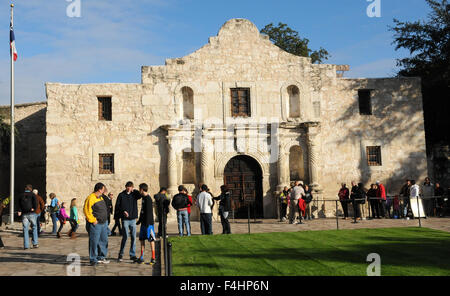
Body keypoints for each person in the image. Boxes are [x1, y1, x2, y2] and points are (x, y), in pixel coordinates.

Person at [84, 183, 110, 266]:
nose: (104, 190)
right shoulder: (91, 198)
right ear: (99, 189)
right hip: (96, 224)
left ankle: (101, 257)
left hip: (104, 223)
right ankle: (93, 259)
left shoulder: (100, 197)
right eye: (103, 189)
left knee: (103, 241)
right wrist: (92, 220)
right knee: (94, 242)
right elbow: (86, 210)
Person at [116, 181, 142, 262]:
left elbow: (139, 196)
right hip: (125, 220)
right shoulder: (121, 195)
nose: (129, 188)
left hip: (133, 219)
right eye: (127, 186)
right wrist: (123, 211)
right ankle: (121, 254)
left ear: (132, 187)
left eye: (130, 187)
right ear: (125, 187)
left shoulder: (134, 194)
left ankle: (132, 254)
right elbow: (117, 206)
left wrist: (135, 190)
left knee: (134, 237)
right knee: (125, 237)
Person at [136, 183, 156, 265]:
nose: (139, 191)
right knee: (142, 239)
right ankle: (141, 257)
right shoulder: (143, 198)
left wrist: (147, 224)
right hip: (143, 223)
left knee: (151, 240)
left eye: (139, 189)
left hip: (148, 224)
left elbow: (149, 212)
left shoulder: (148, 199)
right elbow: (142, 211)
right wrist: (139, 220)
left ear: (142, 189)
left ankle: (153, 257)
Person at [18, 185, 38, 249]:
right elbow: (36, 203)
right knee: (34, 227)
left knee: (25, 229)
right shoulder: (33, 195)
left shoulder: (21, 195)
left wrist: (19, 211)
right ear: (31, 189)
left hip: (24, 214)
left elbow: (19, 204)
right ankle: (35, 243)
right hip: (31, 213)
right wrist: (34, 208)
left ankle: (26, 245)